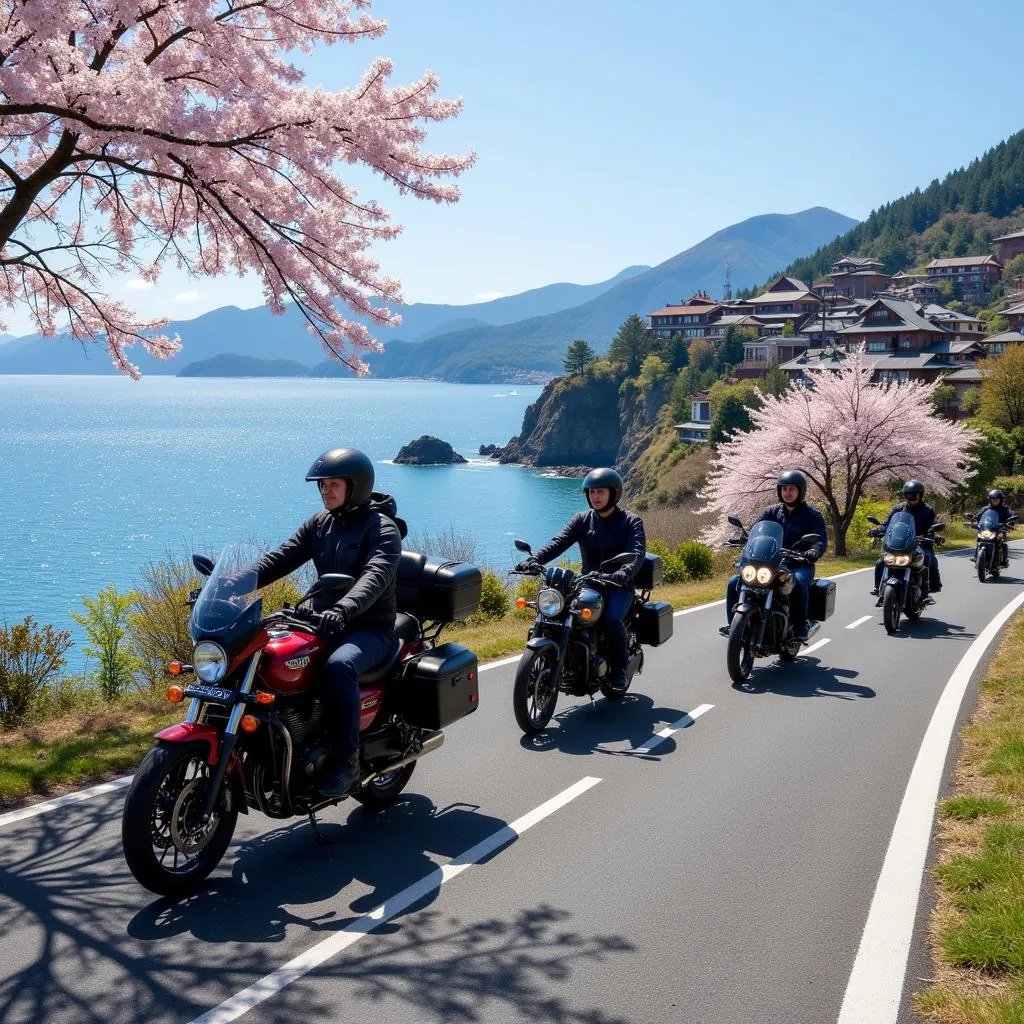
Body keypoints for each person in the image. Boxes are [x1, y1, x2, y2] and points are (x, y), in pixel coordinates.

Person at [252, 448, 402, 798]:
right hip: (322, 624)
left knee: (339, 665)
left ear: (357, 486)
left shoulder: (383, 529)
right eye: (322, 485)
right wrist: (231, 583)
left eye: (333, 484)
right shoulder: (320, 523)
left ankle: (346, 761)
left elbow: (374, 576)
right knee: (269, 656)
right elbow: (279, 559)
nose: (325, 491)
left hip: (370, 629)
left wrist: (345, 608)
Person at [515, 467, 645, 692]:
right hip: (588, 583)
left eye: (600, 492)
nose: (595, 497)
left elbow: (637, 552)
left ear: (613, 493)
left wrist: (624, 572)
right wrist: (534, 560)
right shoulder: (582, 520)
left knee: (611, 619)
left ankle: (620, 669)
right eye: (591, 492)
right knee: (558, 613)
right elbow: (559, 542)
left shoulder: (630, 522)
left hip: (618, 586)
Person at [721, 469, 828, 642]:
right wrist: (742, 540)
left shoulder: (813, 516)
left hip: (798, 563)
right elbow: (755, 535)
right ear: (779, 491)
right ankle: (732, 625)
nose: (787, 493)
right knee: (734, 582)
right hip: (770, 564)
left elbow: (820, 539)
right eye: (784, 489)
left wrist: (814, 550)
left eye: (792, 489)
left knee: (798, 584)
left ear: (800, 491)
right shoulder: (770, 512)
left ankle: (801, 627)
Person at [869, 479, 941, 604]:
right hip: (899, 544)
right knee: (881, 562)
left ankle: (925, 592)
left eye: (914, 495)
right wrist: (876, 530)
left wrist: (935, 535)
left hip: (920, 543)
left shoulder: (927, 510)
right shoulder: (898, 509)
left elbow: (934, 524)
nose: (911, 497)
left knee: (929, 558)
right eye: (908, 495)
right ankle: (878, 588)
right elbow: (887, 524)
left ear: (920, 495)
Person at [976, 488, 1013, 568]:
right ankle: (977, 558)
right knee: (980, 540)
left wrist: (1010, 523)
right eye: (992, 499)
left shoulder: (1005, 509)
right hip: (987, 529)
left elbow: (1010, 516)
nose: (994, 501)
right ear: (990, 499)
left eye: (996, 499)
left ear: (1001, 499)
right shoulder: (986, 508)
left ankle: (1004, 560)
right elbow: (978, 517)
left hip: (1000, 529)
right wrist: (973, 519)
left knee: (1001, 543)